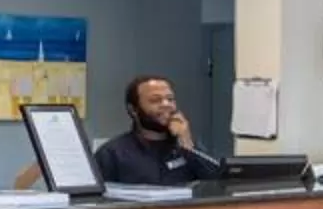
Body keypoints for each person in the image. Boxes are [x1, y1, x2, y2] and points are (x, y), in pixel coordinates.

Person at [19, 75, 223, 188]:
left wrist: (187, 144)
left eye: (170, 99)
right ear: (133, 110)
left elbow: (218, 186)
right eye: (155, 100)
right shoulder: (113, 153)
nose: (166, 105)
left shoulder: (190, 148)